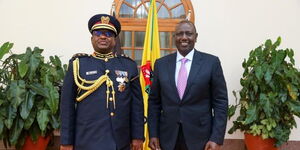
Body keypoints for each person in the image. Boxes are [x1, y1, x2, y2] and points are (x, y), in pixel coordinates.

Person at [60, 14, 144, 150]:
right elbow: (67, 106)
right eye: (98, 33)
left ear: (115, 40)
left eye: (109, 34)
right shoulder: (78, 65)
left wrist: (137, 137)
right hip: (87, 141)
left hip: (120, 142)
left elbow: (137, 106)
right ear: (92, 38)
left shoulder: (128, 66)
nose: (103, 37)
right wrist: (66, 141)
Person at [147, 20, 228, 150]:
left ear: (196, 37)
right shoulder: (161, 64)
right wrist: (153, 134)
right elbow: (154, 102)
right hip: (168, 137)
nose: (184, 37)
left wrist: (216, 138)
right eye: (179, 34)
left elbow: (220, 103)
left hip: (201, 138)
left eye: (189, 34)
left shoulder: (211, 63)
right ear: (174, 37)